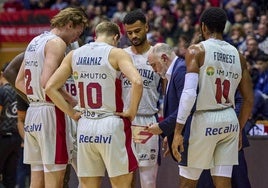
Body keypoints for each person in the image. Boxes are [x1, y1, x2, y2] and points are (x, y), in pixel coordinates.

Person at [44, 21, 143, 188]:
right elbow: (137, 81)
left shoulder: (74, 54)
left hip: (85, 126)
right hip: (110, 124)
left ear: (96, 35)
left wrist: (72, 113)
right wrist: (131, 112)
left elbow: (50, 87)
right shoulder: (116, 53)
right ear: (116, 37)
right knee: (122, 184)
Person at [172, 7, 254, 188]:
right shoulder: (238, 56)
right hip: (229, 118)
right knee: (223, 183)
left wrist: (178, 131)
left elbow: (189, 94)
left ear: (203, 27)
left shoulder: (196, 51)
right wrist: (239, 128)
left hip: (204, 119)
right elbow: (249, 99)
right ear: (224, 27)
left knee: (187, 182)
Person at [15, 7, 88, 188]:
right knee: (54, 180)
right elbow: (48, 83)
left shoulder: (35, 41)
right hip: (51, 113)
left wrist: (36, 97)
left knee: (36, 181)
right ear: (69, 24)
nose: (75, 39)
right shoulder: (57, 43)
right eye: (76, 33)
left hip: (33, 113)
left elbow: (18, 81)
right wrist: (71, 107)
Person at [121, 9, 162, 188]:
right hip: (124, 122)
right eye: (129, 32)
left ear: (147, 26)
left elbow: (169, 92)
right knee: (124, 179)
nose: (134, 36)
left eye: (137, 31)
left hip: (147, 121)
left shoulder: (159, 54)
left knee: (148, 181)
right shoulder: (121, 55)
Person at [197, 91, 252, 188]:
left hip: (231, 137)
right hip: (205, 138)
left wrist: (229, 124)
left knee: (238, 182)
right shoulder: (198, 77)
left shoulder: (234, 76)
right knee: (204, 183)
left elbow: (242, 99)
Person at [146, 43, 186, 161]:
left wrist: (162, 127)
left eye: (154, 65)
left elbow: (186, 108)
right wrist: (169, 135)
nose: (154, 70)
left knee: (188, 179)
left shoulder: (181, 70)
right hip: (179, 134)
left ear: (164, 58)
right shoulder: (173, 72)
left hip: (187, 137)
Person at [0, 63, 21, 188]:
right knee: (10, 176)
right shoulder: (18, 91)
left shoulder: (2, 91)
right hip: (16, 138)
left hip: (3, 137)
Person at [16, 94, 30, 188]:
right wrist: (27, 141)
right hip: (27, 141)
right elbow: (20, 120)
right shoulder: (21, 92)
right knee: (23, 171)